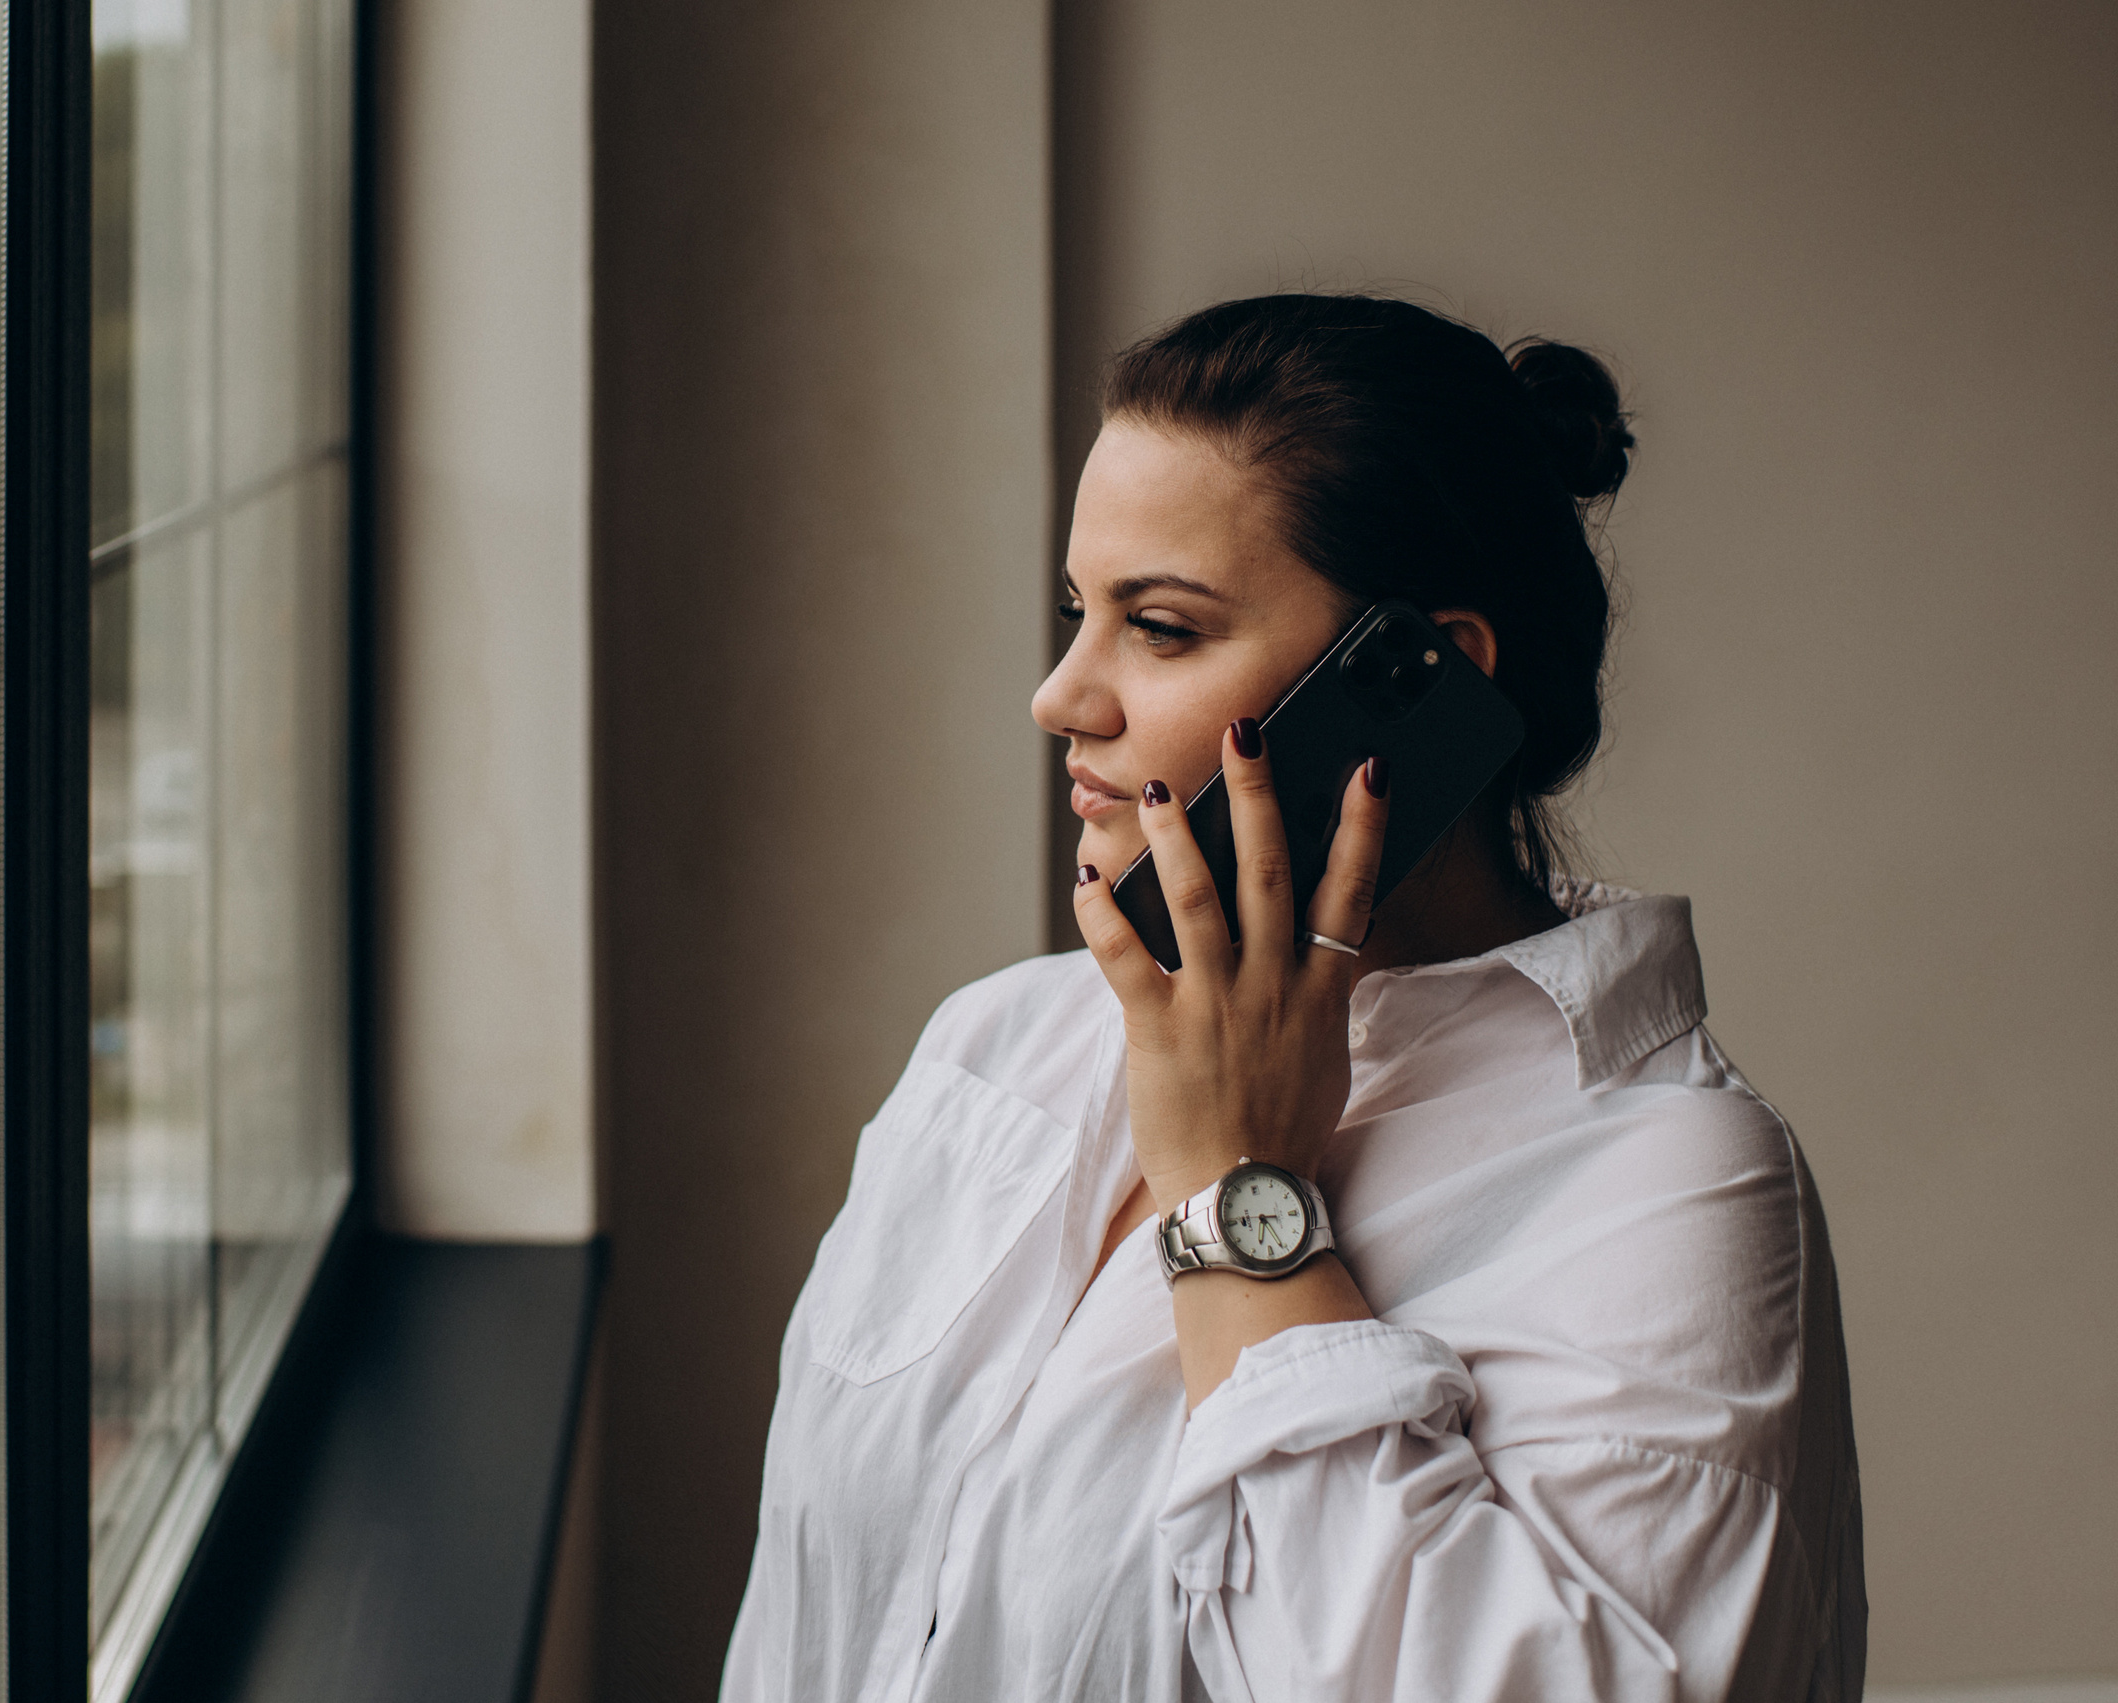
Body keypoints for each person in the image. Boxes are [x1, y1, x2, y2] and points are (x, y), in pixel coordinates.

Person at [720, 294, 1865, 1703]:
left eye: (1162, 628)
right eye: (1079, 613)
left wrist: (1235, 1201)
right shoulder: (995, 1053)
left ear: (1414, 682)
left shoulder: (1667, 1186)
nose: (1060, 696)